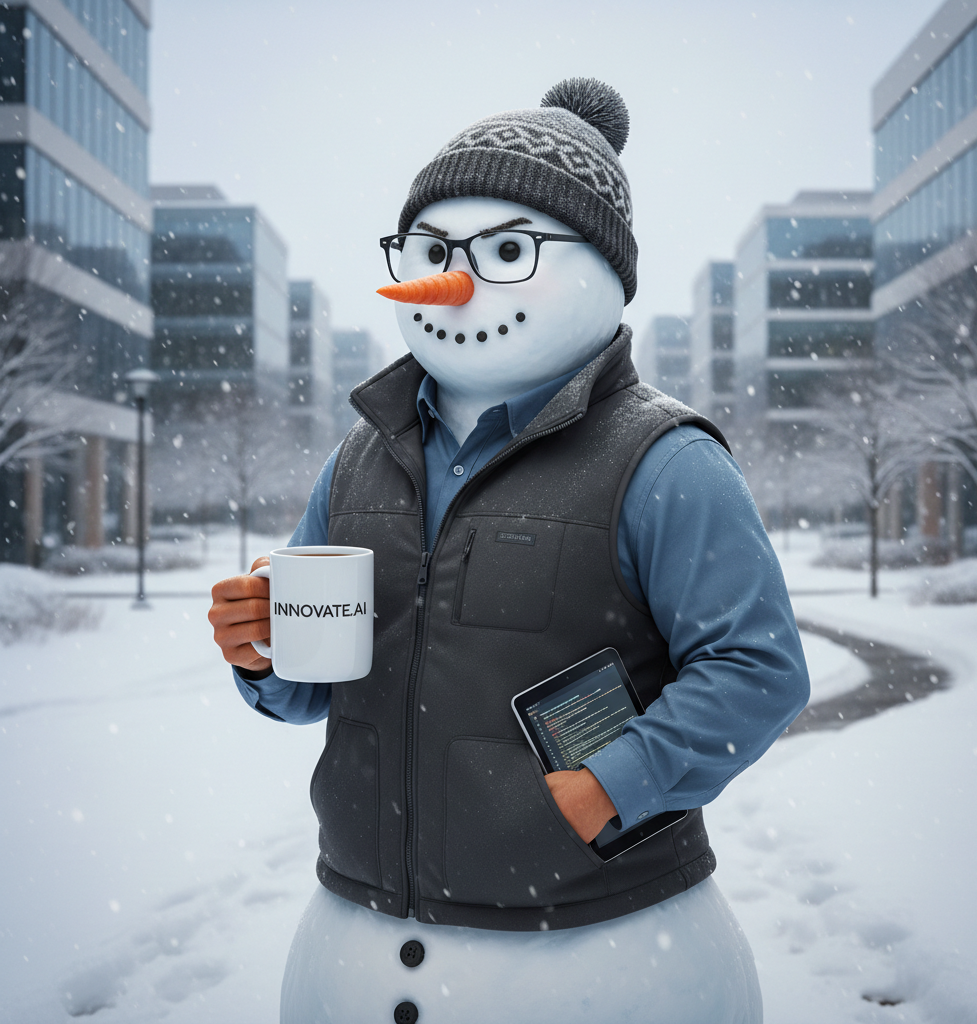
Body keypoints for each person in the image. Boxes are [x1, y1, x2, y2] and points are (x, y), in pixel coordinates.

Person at [209, 78, 809, 1024]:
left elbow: (759, 667)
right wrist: (262, 646)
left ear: (603, 270)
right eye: (434, 251)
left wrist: (624, 778)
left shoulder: (666, 462)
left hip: (600, 960)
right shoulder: (361, 458)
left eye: (507, 251)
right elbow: (310, 677)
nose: (454, 282)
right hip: (353, 944)